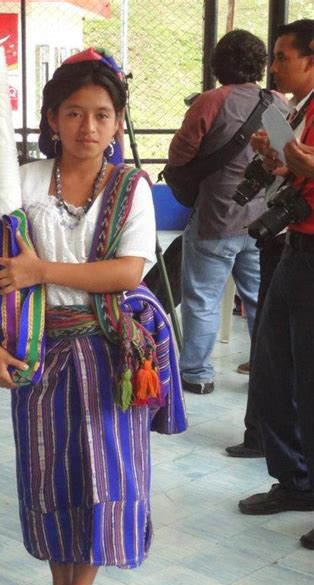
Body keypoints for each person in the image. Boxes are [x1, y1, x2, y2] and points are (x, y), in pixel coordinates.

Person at [0, 49, 157, 585]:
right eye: (74, 113)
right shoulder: (24, 180)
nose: (89, 128)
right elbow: (0, 266)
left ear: (117, 121)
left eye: (103, 115)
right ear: (51, 118)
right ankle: (57, 584)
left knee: (102, 476)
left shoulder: (132, 190)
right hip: (38, 352)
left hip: (108, 353)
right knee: (48, 473)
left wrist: (41, 270)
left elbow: (128, 272)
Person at [168, 30, 288, 395]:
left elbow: (179, 156)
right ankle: (264, 368)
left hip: (216, 217)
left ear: (218, 63)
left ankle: (197, 374)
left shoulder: (211, 101)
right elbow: (285, 155)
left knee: (202, 296)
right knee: (257, 297)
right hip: (262, 220)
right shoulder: (280, 104)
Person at [238, 31, 314, 550]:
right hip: (296, 249)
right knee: (269, 369)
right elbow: (292, 177)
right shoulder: (299, 109)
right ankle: (295, 481)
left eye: (283, 58)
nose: (274, 68)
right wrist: (274, 159)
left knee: (310, 385)